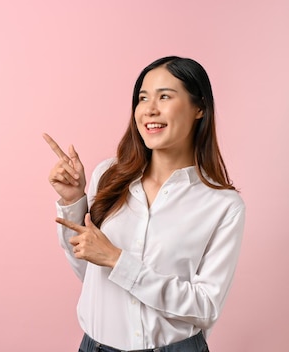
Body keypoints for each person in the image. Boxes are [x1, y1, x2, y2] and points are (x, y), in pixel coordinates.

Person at [43, 56, 245, 352]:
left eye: (164, 96)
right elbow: (91, 277)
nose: (149, 109)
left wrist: (118, 260)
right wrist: (74, 199)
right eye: (142, 98)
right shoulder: (108, 176)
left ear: (199, 108)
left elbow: (205, 307)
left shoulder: (223, 205)